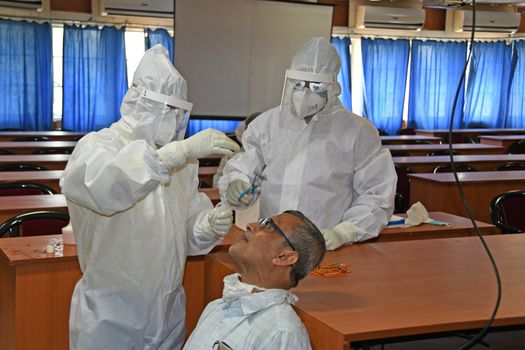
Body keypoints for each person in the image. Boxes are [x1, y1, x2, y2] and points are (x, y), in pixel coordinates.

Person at [60, 45, 240, 350]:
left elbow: (184, 230)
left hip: (167, 309)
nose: (173, 121)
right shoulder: (98, 147)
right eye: (167, 110)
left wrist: (206, 226)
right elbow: (107, 189)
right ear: (140, 103)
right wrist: (175, 154)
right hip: (111, 314)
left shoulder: (182, 163)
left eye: (178, 112)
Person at [218, 37, 397, 250]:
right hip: (270, 243)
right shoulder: (267, 124)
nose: (304, 94)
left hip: (327, 244)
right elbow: (244, 165)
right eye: (298, 84)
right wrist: (236, 184)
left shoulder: (357, 132)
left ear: (333, 86)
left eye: (316, 86)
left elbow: (377, 193)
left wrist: (344, 231)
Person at [183, 210, 325, 349]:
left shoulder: (281, 331)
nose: (250, 225)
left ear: (284, 257)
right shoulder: (216, 307)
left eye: (269, 225)